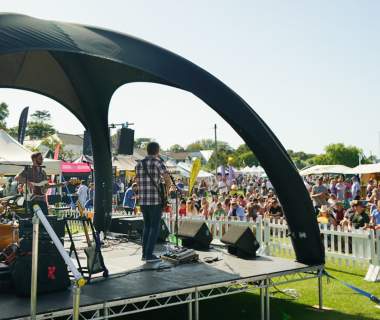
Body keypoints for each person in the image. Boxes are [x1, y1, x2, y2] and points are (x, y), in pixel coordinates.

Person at [135, 142, 172, 263]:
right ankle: (149, 255)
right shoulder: (158, 162)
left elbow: (138, 181)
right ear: (157, 151)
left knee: (147, 226)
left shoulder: (139, 164)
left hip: (143, 200)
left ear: (147, 150)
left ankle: (144, 254)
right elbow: (167, 178)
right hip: (155, 200)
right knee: (154, 227)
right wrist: (166, 190)